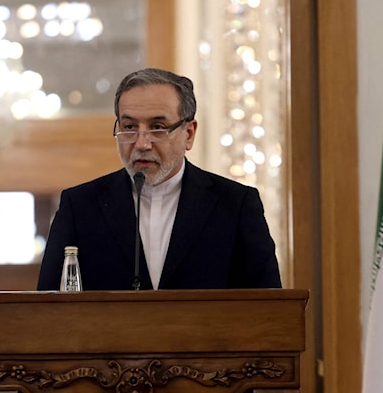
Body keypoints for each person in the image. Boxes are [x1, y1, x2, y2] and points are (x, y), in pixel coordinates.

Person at [36, 67, 281, 291]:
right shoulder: (80, 206)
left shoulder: (235, 205)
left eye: (158, 127)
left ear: (189, 133)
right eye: (129, 127)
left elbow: (267, 309)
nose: (142, 143)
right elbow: (47, 308)